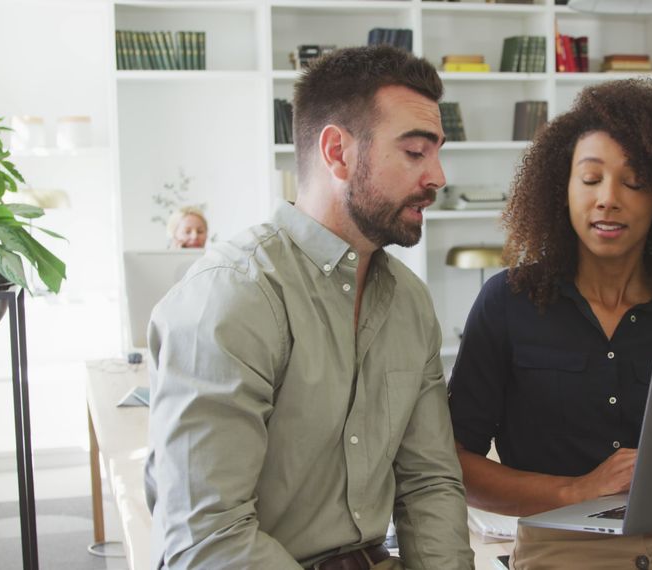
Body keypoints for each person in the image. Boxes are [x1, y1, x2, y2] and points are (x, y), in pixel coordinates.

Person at [145, 45, 474, 569]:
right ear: (337, 153)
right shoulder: (232, 296)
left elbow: (430, 483)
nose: (436, 176)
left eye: (436, 153)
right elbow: (206, 539)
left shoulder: (409, 302)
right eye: (415, 152)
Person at [447, 79, 652, 570]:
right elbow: (457, 467)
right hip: (556, 554)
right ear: (563, 187)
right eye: (591, 178)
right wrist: (578, 490)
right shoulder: (507, 303)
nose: (608, 199)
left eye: (634, 181)